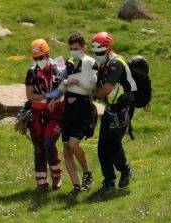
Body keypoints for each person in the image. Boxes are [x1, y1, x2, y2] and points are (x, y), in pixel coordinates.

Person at [45, 32, 98, 193]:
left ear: (83, 47)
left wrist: (75, 80)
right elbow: (64, 84)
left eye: (76, 48)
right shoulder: (68, 63)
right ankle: (76, 185)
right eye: (71, 48)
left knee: (74, 144)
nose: (73, 51)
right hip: (69, 109)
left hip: (82, 108)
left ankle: (87, 173)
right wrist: (54, 98)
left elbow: (92, 84)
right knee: (67, 148)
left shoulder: (90, 62)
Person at [92, 32, 137, 190]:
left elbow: (105, 90)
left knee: (113, 143)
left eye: (100, 53)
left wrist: (89, 95)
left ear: (109, 48)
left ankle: (125, 171)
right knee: (102, 146)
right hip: (111, 109)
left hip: (123, 109)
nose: (98, 56)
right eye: (95, 53)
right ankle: (109, 180)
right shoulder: (104, 64)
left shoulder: (116, 63)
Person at [19, 39, 65, 190]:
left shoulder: (59, 66)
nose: (39, 60)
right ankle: (41, 183)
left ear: (48, 53)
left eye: (41, 57)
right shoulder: (31, 71)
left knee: (49, 143)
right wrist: (47, 95)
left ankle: (56, 176)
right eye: (36, 58)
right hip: (37, 114)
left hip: (56, 113)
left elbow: (66, 87)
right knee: (39, 148)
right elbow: (30, 95)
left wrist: (54, 96)